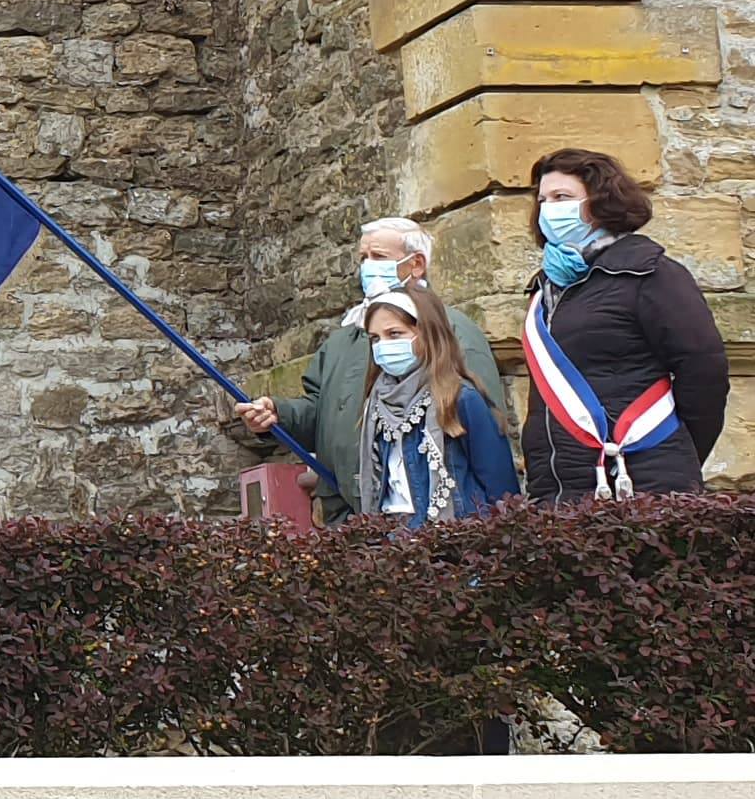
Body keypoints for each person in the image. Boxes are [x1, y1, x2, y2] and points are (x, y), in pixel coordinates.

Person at [236, 215, 507, 520]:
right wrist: (280, 415)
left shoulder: (454, 331)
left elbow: (486, 432)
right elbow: (325, 414)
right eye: (363, 258)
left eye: (378, 257)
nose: (367, 266)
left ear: (416, 264)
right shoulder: (342, 340)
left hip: (445, 521)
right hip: (355, 517)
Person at [522, 147, 728, 502]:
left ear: (601, 203)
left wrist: (673, 451)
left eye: (562, 197)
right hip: (559, 489)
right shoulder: (545, 288)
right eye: (543, 200)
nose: (549, 209)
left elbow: (704, 370)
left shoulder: (652, 274)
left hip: (640, 480)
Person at [359, 287, 520, 527]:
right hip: (393, 538)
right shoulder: (375, 403)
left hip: (453, 538)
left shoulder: (461, 398)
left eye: (394, 334)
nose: (383, 346)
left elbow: (502, 489)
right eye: (375, 338)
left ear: (427, 333)